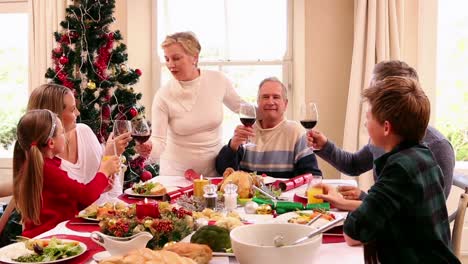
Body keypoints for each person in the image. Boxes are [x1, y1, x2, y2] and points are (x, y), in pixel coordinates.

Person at [325, 77, 458, 263]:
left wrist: (359, 209)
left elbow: (353, 233)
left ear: (386, 127)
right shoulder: (424, 156)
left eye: (368, 117)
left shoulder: (398, 169)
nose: (365, 124)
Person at [307, 60, 455, 200]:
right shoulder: (385, 137)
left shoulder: (439, 148)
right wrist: (325, 146)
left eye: (376, 93)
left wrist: (365, 200)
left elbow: (426, 209)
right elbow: (354, 165)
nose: (371, 101)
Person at [13, 109, 121, 238]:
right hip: (47, 239)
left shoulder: (44, 165)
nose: (65, 136)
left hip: (55, 234)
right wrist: (104, 170)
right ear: (51, 143)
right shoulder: (46, 169)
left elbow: (69, 205)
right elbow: (86, 194)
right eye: (62, 133)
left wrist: (100, 189)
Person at [150, 31, 242, 177]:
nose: (170, 64)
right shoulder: (163, 95)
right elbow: (158, 141)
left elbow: (243, 109)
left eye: (176, 58)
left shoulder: (218, 80)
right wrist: (147, 148)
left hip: (213, 174)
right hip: (176, 176)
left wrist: (270, 108)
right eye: (167, 59)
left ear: (195, 57)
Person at [27, 83, 132, 202]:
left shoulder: (84, 131)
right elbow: (81, 197)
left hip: (103, 215)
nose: (78, 113)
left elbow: (112, 191)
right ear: (54, 116)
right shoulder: (45, 160)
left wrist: (109, 155)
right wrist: (105, 167)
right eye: (72, 109)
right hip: (72, 220)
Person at [216, 77, 322, 178]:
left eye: (276, 97)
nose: (270, 102)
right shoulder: (246, 131)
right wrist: (233, 146)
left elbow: (313, 176)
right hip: (249, 196)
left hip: (283, 195)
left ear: (285, 104)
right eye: (265, 97)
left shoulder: (296, 132)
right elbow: (222, 171)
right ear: (258, 102)